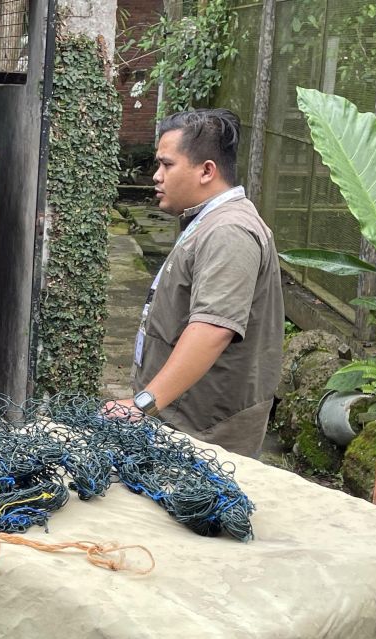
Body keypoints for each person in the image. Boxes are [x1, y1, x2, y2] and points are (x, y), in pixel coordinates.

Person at [115, 108, 284, 457]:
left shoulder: (228, 231)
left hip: (205, 432)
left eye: (167, 165)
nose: (156, 176)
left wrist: (143, 404)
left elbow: (212, 330)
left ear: (207, 170)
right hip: (181, 418)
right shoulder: (206, 221)